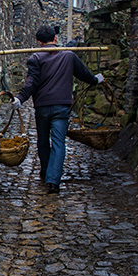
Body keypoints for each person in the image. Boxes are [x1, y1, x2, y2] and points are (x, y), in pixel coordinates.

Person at [12, 25, 104, 194]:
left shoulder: (36, 58)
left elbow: (31, 82)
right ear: (55, 39)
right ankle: (53, 181)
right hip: (62, 106)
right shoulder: (69, 56)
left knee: (42, 140)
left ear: (39, 42)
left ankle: (46, 172)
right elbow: (85, 75)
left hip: (42, 106)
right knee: (59, 142)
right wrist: (96, 80)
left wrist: (20, 98)